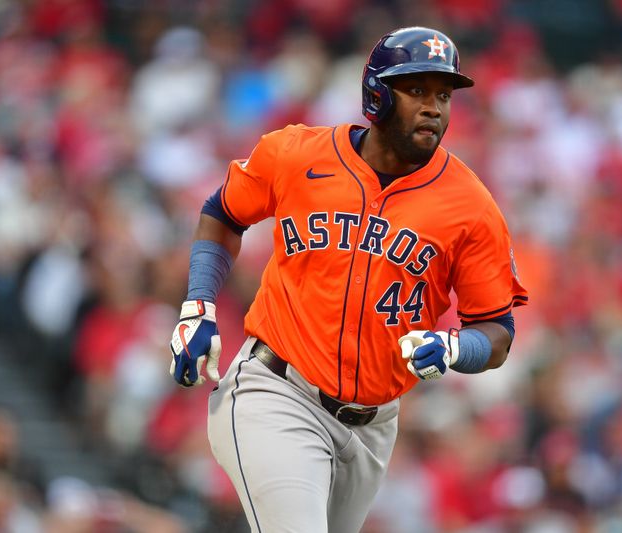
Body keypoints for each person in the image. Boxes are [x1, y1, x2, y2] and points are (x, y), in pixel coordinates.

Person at [168, 26, 529, 532]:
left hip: (374, 425)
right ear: (376, 94)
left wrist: (453, 349)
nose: (433, 107)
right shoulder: (297, 153)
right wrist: (199, 305)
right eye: (417, 90)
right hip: (276, 391)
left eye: (443, 95)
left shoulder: (471, 206)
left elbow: (496, 332)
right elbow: (222, 212)